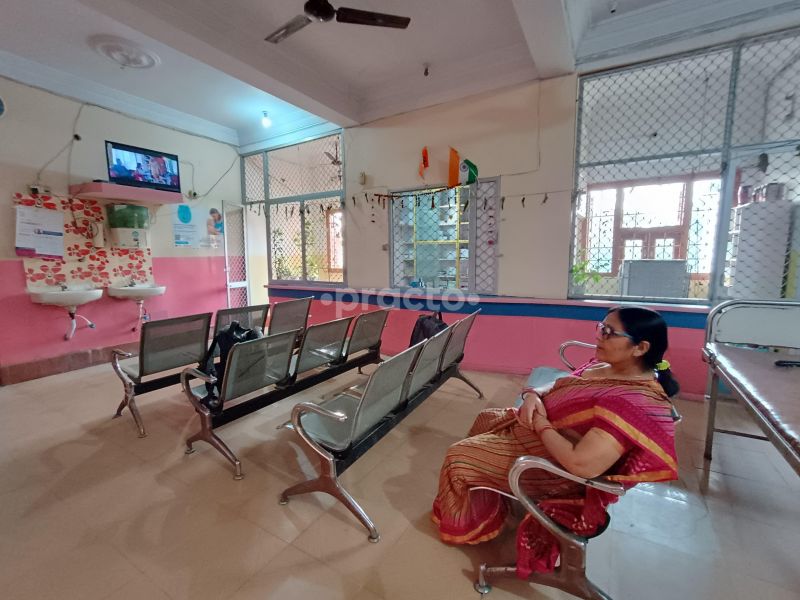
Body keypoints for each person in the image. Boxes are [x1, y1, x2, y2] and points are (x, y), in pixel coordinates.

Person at [431, 306, 679, 575]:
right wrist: (534, 395)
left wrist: (540, 423)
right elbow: (562, 383)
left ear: (640, 348)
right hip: (539, 431)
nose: (599, 336)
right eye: (601, 327)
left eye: (609, 332)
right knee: (485, 418)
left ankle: (469, 524)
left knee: (458, 457)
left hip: (554, 467)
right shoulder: (607, 367)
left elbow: (580, 464)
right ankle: (489, 503)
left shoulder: (632, 404)